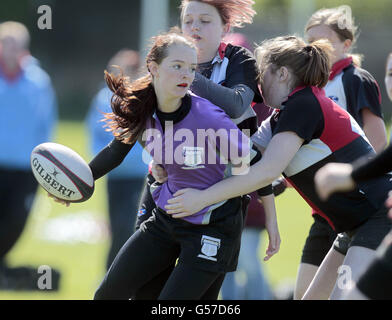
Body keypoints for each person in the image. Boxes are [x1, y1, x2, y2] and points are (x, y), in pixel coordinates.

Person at [53, 31, 279, 299]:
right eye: (177, 66)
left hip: (214, 225)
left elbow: (257, 168)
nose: (187, 75)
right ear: (153, 68)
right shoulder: (140, 108)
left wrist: (272, 224)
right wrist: (75, 183)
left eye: (192, 68)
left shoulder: (209, 116)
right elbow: (116, 151)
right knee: (106, 295)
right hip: (165, 219)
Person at [164, 35, 392, 300]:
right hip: (353, 225)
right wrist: (172, 165)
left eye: (262, 74)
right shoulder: (279, 117)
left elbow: (266, 171)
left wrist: (202, 198)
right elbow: (240, 157)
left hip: (378, 215)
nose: (257, 85)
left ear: (282, 73)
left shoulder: (304, 104)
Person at [133, 0, 280, 299]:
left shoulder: (238, 58)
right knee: (144, 286)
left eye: (204, 20)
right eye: (188, 21)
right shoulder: (168, 55)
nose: (194, 27)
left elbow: (238, 107)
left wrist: (185, 74)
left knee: (201, 297)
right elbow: (139, 119)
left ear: (225, 27)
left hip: (220, 195)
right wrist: (153, 154)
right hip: (165, 186)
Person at [294, 6, 388, 300]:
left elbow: (378, 144)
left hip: (360, 206)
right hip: (326, 214)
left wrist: (352, 177)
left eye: (324, 43)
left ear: (346, 45)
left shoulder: (354, 79)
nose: (314, 51)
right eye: (309, 43)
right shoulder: (309, 90)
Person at [0, 21, 59, 290]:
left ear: (24, 49)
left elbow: (46, 124)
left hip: (25, 167)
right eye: (4, 44)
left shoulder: (39, 82)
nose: (8, 50)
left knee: (15, 222)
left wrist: (45, 161)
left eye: (14, 45)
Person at [219, 32, 275, 300]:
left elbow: (265, 154)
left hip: (253, 200)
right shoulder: (213, 100)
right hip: (221, 199)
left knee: (250, 264)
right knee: (225, 266)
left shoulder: (262, 105)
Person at [86, 49, 149, 270]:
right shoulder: (104, 100)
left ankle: (126, 274)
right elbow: (95, 135)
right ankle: (110, 273)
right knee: (119, 226)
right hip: (116, 174)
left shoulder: (143, 101)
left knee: (133, 226)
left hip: (140, 175)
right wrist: (95, 165)